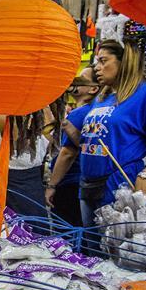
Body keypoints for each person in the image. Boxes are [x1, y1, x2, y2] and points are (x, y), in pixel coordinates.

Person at [52, 40, 146, 229]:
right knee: (89, 248)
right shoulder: (101, 99)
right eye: (97, 62)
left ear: (125, 62)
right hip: (87, 186)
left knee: (109, 250)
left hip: (119, 186)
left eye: (103, 61)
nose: (97, 67)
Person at [46, 71, 101, 226]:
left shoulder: (79, 114)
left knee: (65, 233)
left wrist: (52, 185)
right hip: (84, 181)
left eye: (80, 80)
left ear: (93, 89)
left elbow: (67, 153)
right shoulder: (96, 111)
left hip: (69, 182)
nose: (73, 83)